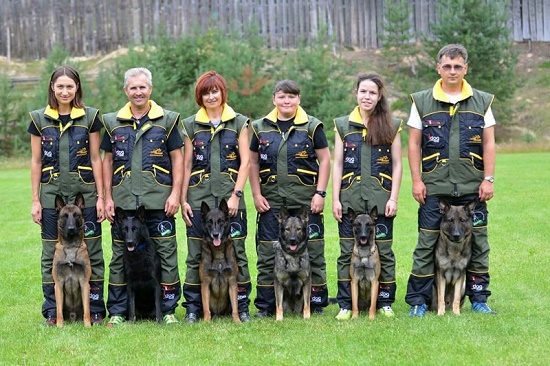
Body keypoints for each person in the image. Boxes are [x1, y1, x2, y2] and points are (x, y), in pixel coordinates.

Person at [405, 44, 496, 316]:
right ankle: (419, 302)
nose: (452, 71)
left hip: (472, 188)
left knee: (479, 242)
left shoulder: (482, 101)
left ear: (465, 68)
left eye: (458, 66)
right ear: (438, 68)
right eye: (447, 66)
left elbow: (489, 143)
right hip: (435, 188)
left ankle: (479, 299)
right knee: (426, 243)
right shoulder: (421, 101)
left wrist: (488, 179)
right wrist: (417, 181)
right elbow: (413, 144)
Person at [101, 67, 184, 325]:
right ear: (126, 90)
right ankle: (117, 311)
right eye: (133, 88)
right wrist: (106, 197)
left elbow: (177, 159)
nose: (138, 92)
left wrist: (175, 195)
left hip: (159, 200)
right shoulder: (112, 121)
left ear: (151, 89)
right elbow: (107, 161)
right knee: (119, 256)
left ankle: (168, 310)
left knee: (167, 253)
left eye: (142, 87)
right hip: (124, 201)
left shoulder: (167, 120)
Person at [29, 65, 106, 326]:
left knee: (92, 251)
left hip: (86, 193)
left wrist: (103, 197)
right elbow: (36, 161)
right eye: (60, 86)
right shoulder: (39, 118)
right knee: (50, 253)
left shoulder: (91, 117)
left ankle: (94, 310)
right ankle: (53, 311)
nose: (65, 91)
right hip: (52, 195)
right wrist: (35, 200)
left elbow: (96, 158)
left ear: (77, 88)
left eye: (70, 86)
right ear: (52, 87)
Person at [249, 80, 331, 317]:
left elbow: (325, 160)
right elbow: (252, 162)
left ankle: (315, 304)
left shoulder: (312, 126)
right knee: (267, 254)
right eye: (282, 97)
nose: (287, 101)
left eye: (292, 97)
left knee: (314, 252)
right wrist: (256, 194)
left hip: (307, 201)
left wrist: (320, 193)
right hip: (272, 202)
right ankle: (266, 307)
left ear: (299, 99)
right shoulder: (259, 127)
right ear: (274, 99)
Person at [180, 71, 252, 323]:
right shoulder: (190, 125)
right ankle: (193, 308)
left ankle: (241, 306)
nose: (211, 96)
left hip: (230, 199)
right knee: (194, 253)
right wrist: (182, 200)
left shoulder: (239, 122)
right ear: (200, 96)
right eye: (206, 92)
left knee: (238, 253)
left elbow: (245, 163)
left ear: (223, 93)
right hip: (198, 197)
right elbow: (186, 165)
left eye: (215, 91)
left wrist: (236, 195)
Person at [332, 73, 403, 320]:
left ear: (379, 96)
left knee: (384, 251)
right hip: (350, 199)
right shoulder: (342, 125)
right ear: (356, 93)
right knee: (345, 251)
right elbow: (338, 163)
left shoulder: (391, 125)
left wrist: (393, 198)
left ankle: (384, 301)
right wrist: (335, 199)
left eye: (372, 92)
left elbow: (397, 164)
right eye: (363, 91)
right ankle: (344, 304)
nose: (367, 96)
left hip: (380, 199)